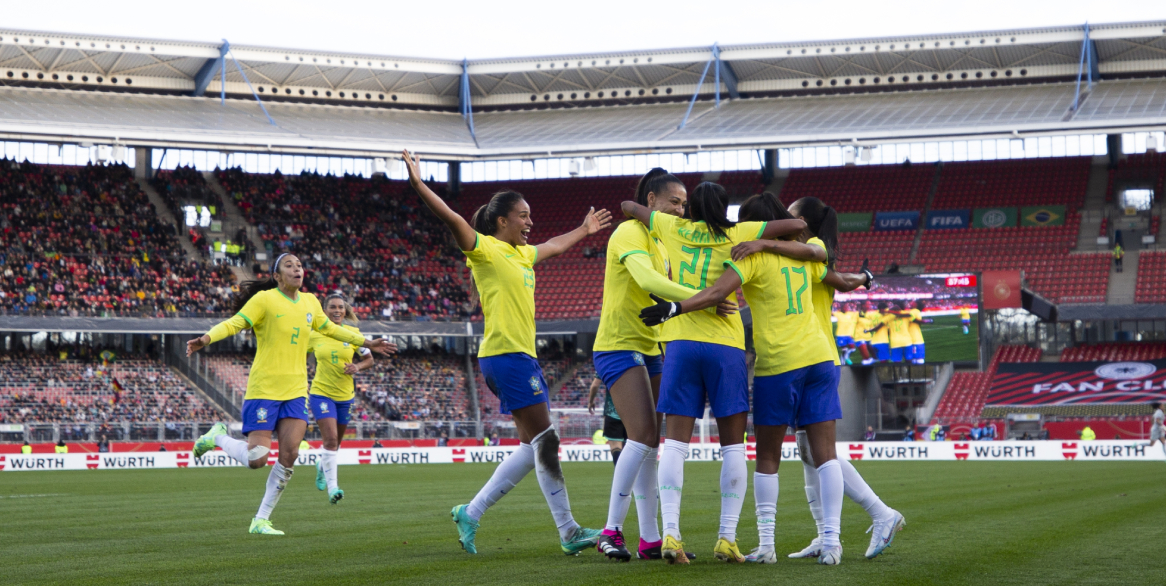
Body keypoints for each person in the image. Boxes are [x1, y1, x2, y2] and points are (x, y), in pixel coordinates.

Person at [402, 149, 612, 556]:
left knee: (532, 446)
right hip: (506, 356)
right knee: (547, 441)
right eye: (524, 215)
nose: (530, 222)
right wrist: (419, 184)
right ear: (503, 221)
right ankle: (568, 531)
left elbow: (553, 244)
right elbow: (453, 218)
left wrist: (585, 229)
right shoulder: (485, 250)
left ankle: (471, 512)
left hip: (518, 357)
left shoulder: (523, 254)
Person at [640, 191, 867, 564]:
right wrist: (865, 277)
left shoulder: (753, 256)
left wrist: (675, 307)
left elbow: (716, 291)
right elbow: (837, 276)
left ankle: (764, 545)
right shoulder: (806, 251)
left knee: (765, 457)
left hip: (777, 362)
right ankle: (831, 542)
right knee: (827, 457)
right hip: (822, 359)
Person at [621, 184, 806, 564]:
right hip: (726, 346)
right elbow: (799, 222)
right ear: (727, 209)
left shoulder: (672, 228)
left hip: (681, 342)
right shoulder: (741, 232)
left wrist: (650, 213)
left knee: (674, 443)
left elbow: (627, 205)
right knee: (733, 446)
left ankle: (670, 534)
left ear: (690, 209)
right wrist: (763, 240)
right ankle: (726, 538)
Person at [188, 253, 397, 536]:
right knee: (257, 458)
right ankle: (217, 437)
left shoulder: (311, 302)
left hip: (297, 392)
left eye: (299, 265)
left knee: (290, 454)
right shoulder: (265, 300)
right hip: (265, 389)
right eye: (289, 265)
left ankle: (261, 519)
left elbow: (333, 329)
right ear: (277, 275)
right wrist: (206, 338)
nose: (297, 269)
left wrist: (367, 341)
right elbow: (235, 323)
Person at [592, 168, 730, 561]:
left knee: (651, 441)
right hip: (619, 345)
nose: (681, 210)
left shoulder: (662, 238)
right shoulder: (627, 234)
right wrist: (706, 296)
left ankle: (650, 538)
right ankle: (611, 531)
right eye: (674, 202)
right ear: (650, 201)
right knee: (642, 436)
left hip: (652, 346)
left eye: (685, 205)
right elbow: (648, 279)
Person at [307, 292, 376, 505]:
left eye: (340, 307)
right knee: (330, 440)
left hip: (345, 396)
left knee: (335, 445)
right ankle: (333, 488)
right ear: (325, 311)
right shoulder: (314, 333)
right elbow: (295, 351)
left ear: (345, 311)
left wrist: (357, 366)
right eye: (332, 307)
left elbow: (369, 359)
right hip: (321, 394)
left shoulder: (353, 333)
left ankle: (321, 466)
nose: (337, 311)